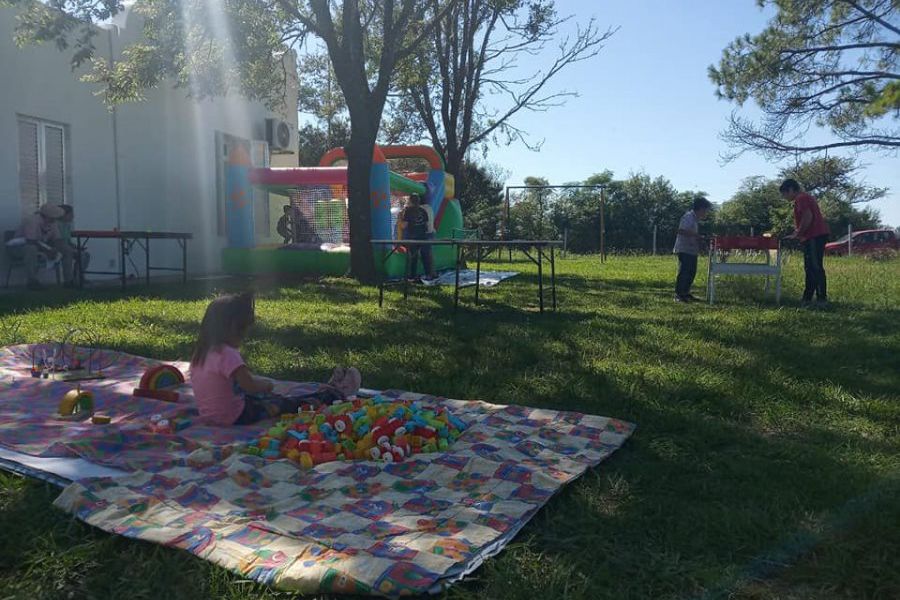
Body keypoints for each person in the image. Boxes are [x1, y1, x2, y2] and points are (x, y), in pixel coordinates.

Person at [190, 292, 360, 426]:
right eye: (244, 332)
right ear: (234, 329)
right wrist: (266, 385)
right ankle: (335, 394)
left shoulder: (201, 353)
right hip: (236, 415)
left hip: (212, 415)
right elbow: (249, 384)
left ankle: (328, 390)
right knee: (286, 403)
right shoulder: (227, 354)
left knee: (264, 399)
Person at [780, 179, 830, 307]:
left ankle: (821, 299)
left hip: (814, 236)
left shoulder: (801, 198)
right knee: (810, 268)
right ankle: (807, 298)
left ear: (791, 189)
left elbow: (808, 216)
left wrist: (798, 233)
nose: (784, 197)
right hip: (811, 236)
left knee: (815, 268)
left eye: (784, 194)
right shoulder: (804, 198)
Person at [8, 204, 74, 290]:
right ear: (46, 216)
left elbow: (57, 239)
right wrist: (48, 250)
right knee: (31, 249)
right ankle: (32, 281)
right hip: (18, 248)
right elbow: (31, 240)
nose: (55, 219)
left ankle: (69, 281)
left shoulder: (52, 223)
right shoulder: (32, 220)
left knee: (67, 250)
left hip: (40, 246)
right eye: (53, 217)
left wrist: (57, 248)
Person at [673, 196, 713, 302]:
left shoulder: (695, 219)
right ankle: (679, 295)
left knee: (691, 272)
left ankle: (686, 293)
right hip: (684, 249)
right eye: (706, 211)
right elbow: (681, 231)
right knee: (684, 272)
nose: (706, 213)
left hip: (692, 250)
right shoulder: (688, 217)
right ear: (700, 209)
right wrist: (697, 236)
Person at [399, 194, 436, 281]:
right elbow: (426, 225)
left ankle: (412, 276)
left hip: (413, 237)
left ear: (410, 201)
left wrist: (400, 219)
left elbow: (404, 225)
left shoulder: (408, 211)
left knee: (413, 258)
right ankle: (428, 275)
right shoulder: (423, 210)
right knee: (425, 257)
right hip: (423, 237)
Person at [57, 204, 90, 278]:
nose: (73, 216)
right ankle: (69, 279)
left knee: (85, 255)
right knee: (69, 253)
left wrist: (77, 247)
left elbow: (68, 241)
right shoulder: (56, 225)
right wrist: (71, 248)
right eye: (71, 214)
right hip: (59, 247)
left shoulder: (67, 225)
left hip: (66, 246)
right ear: (64, 215)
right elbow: (57, 240)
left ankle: (78, 276)